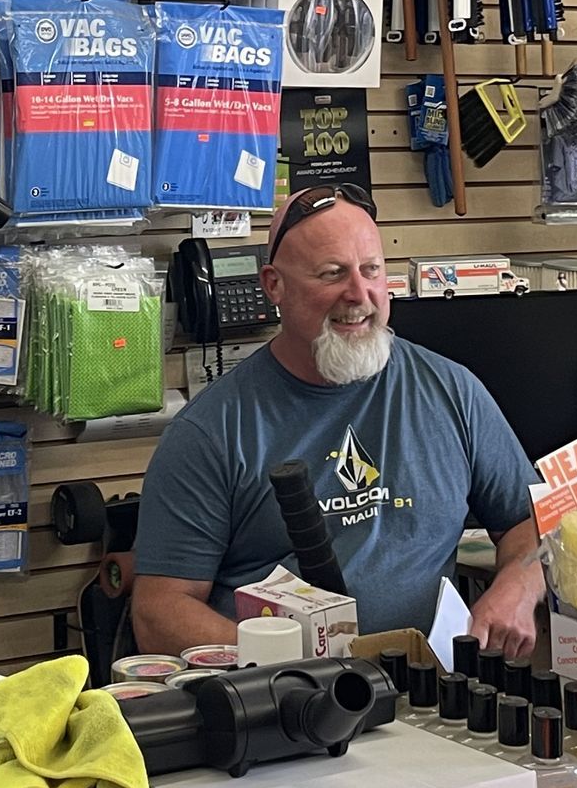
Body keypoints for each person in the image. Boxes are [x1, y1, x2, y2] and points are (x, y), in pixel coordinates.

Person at [132, 183, 545, 656]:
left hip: (433, 694)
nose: (359, 293)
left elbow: (528, 522)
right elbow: (159, 613)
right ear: (274, 286)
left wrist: (516, 588)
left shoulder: (451, 390)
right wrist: (290, 663)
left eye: (371, 269)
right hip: (288, 703)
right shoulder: (212, 431)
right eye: (332, 274)